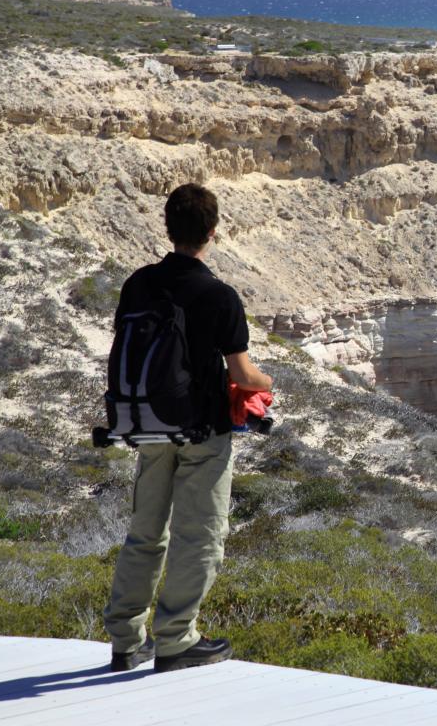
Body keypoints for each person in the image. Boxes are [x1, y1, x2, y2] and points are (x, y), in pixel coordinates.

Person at [103, 183, 272, 673]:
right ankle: (176, 639)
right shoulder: (218, 295)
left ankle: (125, 640)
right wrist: (267, 380)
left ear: (168, 228)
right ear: (213, 233)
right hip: (203, 431)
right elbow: (241, 375)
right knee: (198, 536)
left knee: (145, 532)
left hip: (147, 422)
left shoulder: (138, 283)